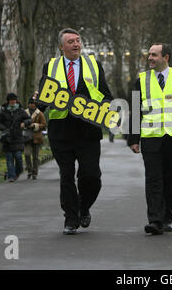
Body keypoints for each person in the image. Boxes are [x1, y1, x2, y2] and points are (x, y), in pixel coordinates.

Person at [34, 28, 113, 235]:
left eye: (78, 40)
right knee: (66, 176)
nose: (76, 44)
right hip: (61, 131)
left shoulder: (94, 65)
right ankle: (70, 218)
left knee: (91, 175)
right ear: (62, 47)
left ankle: (83, 206)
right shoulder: (50, 66)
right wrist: (36, 101)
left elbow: (107, 96)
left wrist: (103, 110)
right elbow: (42, 99)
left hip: (88, 131)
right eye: (71, 41)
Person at [128, 43, 172, 235]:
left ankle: (167, 218)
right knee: (153, 180)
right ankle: (155, 220)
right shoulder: (141, 80)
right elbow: (135, 109)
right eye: (149, 54)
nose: (150, 58)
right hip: (151, 138)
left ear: (166, 57)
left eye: (154, 55)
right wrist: (133, 138)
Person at [0, 93, 31, 182]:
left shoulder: (20, 110)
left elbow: (28, 119)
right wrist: (3, 128)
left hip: (18, 137)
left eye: (14, 100)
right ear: (8, 101)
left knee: (18, 157)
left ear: (16, 100)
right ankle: (11, 176)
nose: (13, 101)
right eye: (11, 100)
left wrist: (25, 123)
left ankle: (18, 172)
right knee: (9, 159)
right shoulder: (3, 111)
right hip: (7, 138)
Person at [24, 96, 47, 180]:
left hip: (37, 137)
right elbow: (20, 122)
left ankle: (35, 172)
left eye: (33, 103)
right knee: (27, 154)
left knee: (35, 156)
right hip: (27, 137)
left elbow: (44, 125)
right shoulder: (24, 112)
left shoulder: (40, 113)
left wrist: (35, 125)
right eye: (30, 103)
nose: (32, 105)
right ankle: (29, 170)